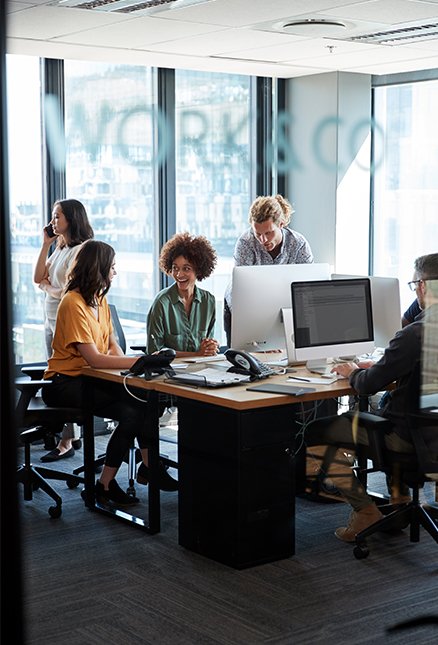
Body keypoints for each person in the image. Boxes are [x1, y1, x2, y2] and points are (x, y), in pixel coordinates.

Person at [304, 253, 438, 543]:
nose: (415, 290)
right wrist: (381, 366)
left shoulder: (414, 334)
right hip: (433, 437)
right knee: (389, 411)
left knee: (318, 432)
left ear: (425, 287)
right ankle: (400, 503)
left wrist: (353, 371)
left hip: (406, 440)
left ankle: (365, 511)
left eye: (415, 284)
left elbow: (367, 386)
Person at [41, 240, 175, 504]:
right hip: (65, 384)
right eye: (112, 267)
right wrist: (139, 361)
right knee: (133, 411)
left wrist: (136, 366)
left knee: (143, 402)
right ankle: (132, 473)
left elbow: (112, 346)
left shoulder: (99, 299)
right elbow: (93, 358)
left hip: (91, 380)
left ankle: (128, 474)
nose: (115, 272)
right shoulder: (72, 303)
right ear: (98, 269)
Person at [34, 198, 94, 455]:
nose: (52, 221)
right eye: (52, 216)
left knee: (68, 375)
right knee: (58, 373)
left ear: (72, 218)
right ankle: (71, 435)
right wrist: (45, 244)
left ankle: (67, 440)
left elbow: (70, 292)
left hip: (67, 318)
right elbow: (38, 277)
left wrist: (48, 287)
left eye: (57, 216)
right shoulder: (59, 247)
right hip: (50, 318)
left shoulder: (81, 250)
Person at [224, 194, 313, 346]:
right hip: (244, 307)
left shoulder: (299, 244)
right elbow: (242, 289)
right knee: (245, 358)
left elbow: (307, 288)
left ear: (281, 225)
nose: (263, 240)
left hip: (284, 309)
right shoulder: (246, 243)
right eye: (258, 233)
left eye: (268, 233)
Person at [147, 231, 219, 358]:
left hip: (202, 369)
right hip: (168, 371)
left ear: (198, 270)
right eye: (175, 268)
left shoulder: (209, 301)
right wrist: (196, 354)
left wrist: (210, 347)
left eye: (186, 268)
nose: (179, 275)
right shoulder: (162, 302)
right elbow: (154, 351)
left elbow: (207, 345)